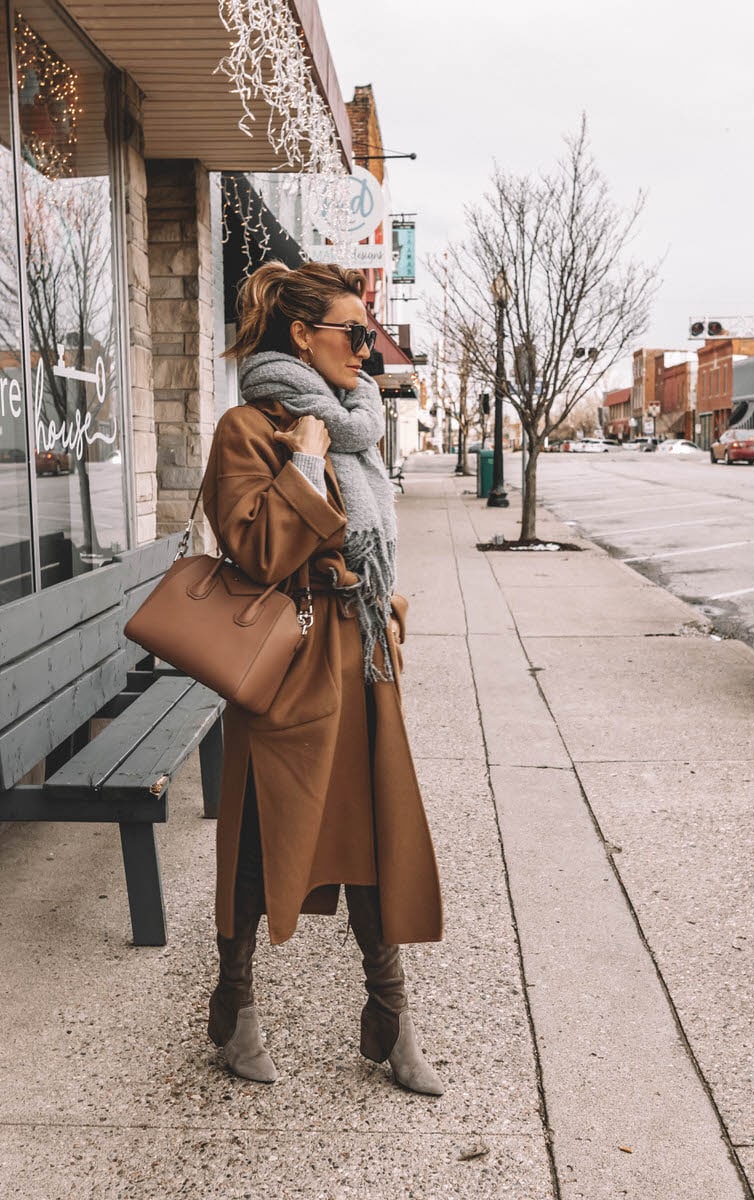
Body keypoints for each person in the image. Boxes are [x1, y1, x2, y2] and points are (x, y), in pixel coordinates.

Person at [201, 261, 444, 1095]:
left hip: (362, 652)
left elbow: (358, 541)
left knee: (375, 832)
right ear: (303, 336)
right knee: (266, 836)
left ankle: (391, 1017)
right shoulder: (248, 428)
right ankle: (234, 1011)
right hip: (290, 661)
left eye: (370, 336)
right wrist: (302, 466)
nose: (367, 351)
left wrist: (383, 590)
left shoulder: (356, 423)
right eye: (353, 334)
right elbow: (262, 551)